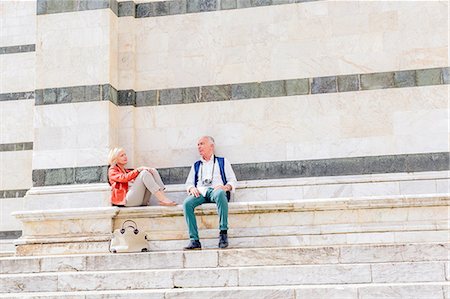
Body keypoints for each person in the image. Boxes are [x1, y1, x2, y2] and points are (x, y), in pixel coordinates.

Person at [182, 136, 237, 250]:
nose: (199, 147)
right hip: (200, 192)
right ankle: (194, 240)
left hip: (216, 191)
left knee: (220, 193)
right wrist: (191, 188)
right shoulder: (196, 165)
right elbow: (188, 183)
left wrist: (225, 187)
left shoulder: (222, 161)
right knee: (187, 203)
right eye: (198, 144)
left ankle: (223, 233)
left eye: (202, 144)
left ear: (211, 146)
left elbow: (233, 180)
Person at [108, 148, 177, 207]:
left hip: (141, 200)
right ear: (115, 159)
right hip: (126, 201)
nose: (125, 157)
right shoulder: (112, 170)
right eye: (122, 155)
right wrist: (139, 169)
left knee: (152, 171)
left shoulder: (127, 171)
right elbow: (124, 178)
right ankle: (162, 199)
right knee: (143, 173)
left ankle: (162, 197)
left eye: (125, 154)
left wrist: (147, 171)